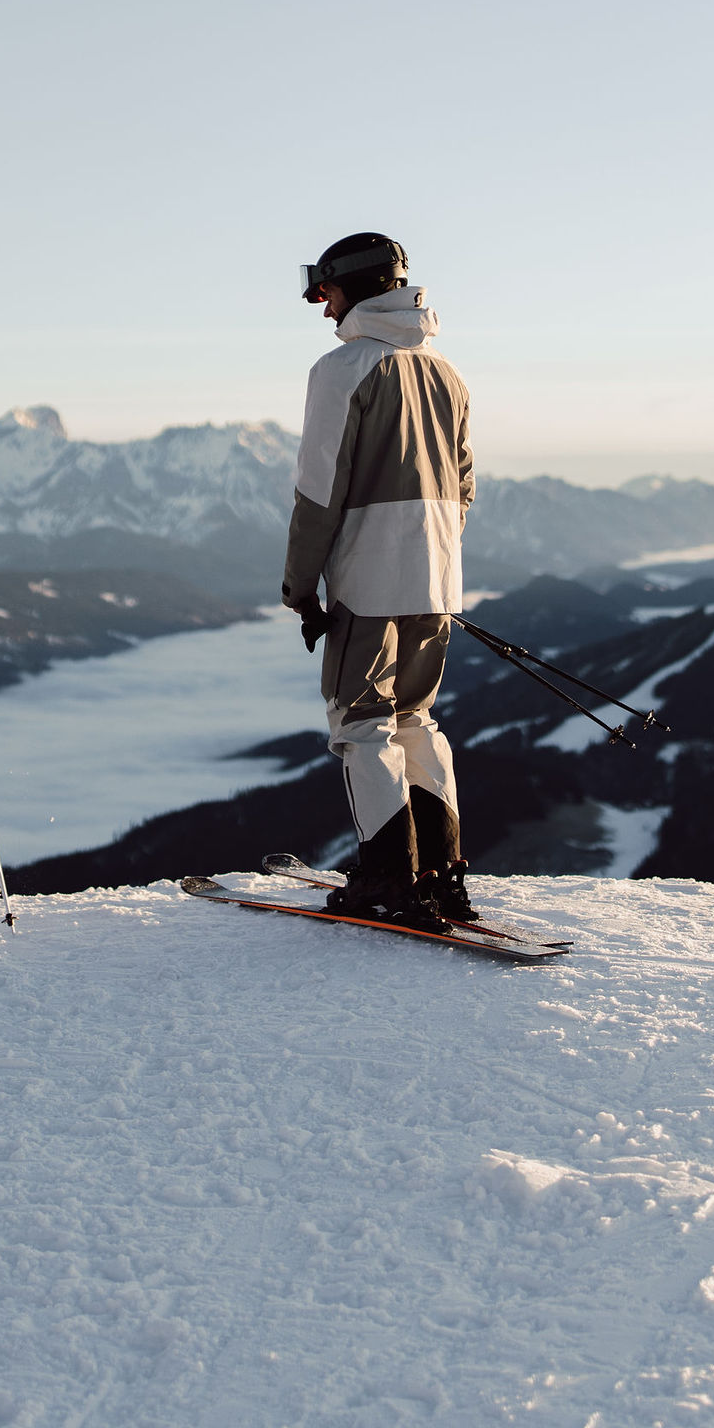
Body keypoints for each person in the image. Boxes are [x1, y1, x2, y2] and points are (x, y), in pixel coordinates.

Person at [283, 234, 480, 926]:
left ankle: (391, 879)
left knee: (362, 724)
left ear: (357, 287)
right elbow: (463, 486)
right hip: (439, 581)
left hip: (368, 583)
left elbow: (318, 491)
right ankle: (443, 873)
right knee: (416, 719)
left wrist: (299, 585)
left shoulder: (342, 370)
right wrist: (433, 562)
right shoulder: (446, 372)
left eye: (326, 292)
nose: (322, 306)